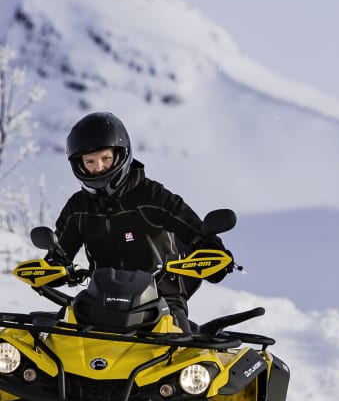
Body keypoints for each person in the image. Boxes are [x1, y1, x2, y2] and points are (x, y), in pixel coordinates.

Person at [54, 111, 233, 332]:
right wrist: (53, 268)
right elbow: (59, 255)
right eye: (90, 161)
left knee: (180, 357)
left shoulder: (152, 196)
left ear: (121, 155)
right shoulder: (78, 207)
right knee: (58, 342)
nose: (98, 167)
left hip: (161, 301)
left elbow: (195, 230)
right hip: (100, 303)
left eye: (105, 158)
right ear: (78, 164)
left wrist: (212, 251)